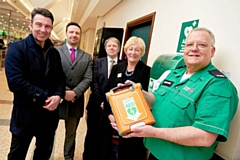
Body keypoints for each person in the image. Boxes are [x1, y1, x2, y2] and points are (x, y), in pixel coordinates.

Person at [123, 27, 239, 160]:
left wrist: (154, 132)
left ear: (212, 51)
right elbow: (156, 100)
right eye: (189, 44)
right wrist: (137, 92)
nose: (194, 48)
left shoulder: (218, 86)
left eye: (201, 45)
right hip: (155, 152)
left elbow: (205, 136)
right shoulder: (174, 74)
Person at [5, 7, 66, 160]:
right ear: (30, 25)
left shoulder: (53, 52)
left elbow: (60, 78)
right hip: (25, 115)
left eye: (47, 26)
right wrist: (45, 96)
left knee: (43, 154)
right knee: (17, 155)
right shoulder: (17, 49)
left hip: (48, 117)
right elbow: (15, 82)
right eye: (39, 25)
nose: (43, 30)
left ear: (51, 28)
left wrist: (58, 96)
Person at [104, 36, 151, 160]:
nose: (133, 53)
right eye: (130, 49)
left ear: (142, 53)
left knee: (131, 152)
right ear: (125, 50)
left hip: (135, 119)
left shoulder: (147, 71)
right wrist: (110, 115)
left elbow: (148, 98)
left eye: (137, 50)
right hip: (114, 118)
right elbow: (108, 91)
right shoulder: (117, 68)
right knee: (110, 150)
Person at [55, 22, 92, 160]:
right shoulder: (56, 52)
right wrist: (64, 92)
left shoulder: (87, 57)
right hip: (56, 100)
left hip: (76, 102)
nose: (74, 35)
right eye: (71, 32)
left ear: (80, 36)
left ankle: (68, 157)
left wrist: (74, 92)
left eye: (77, 33)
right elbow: (52, 74)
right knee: (48, 131)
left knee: (71, 134)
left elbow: (88, 79)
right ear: (66, 34)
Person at [83, 37, 122, 160]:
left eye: (114, 46)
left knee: (107, 134)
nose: (111, 48)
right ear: (105, 48)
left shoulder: (122, 65)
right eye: (109, 46)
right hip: (96, 104)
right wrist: (102, 101)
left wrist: (109, 103)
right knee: (92, 132)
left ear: (119, 49)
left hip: (112, 107)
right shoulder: (97, 62)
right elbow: (94, 83)